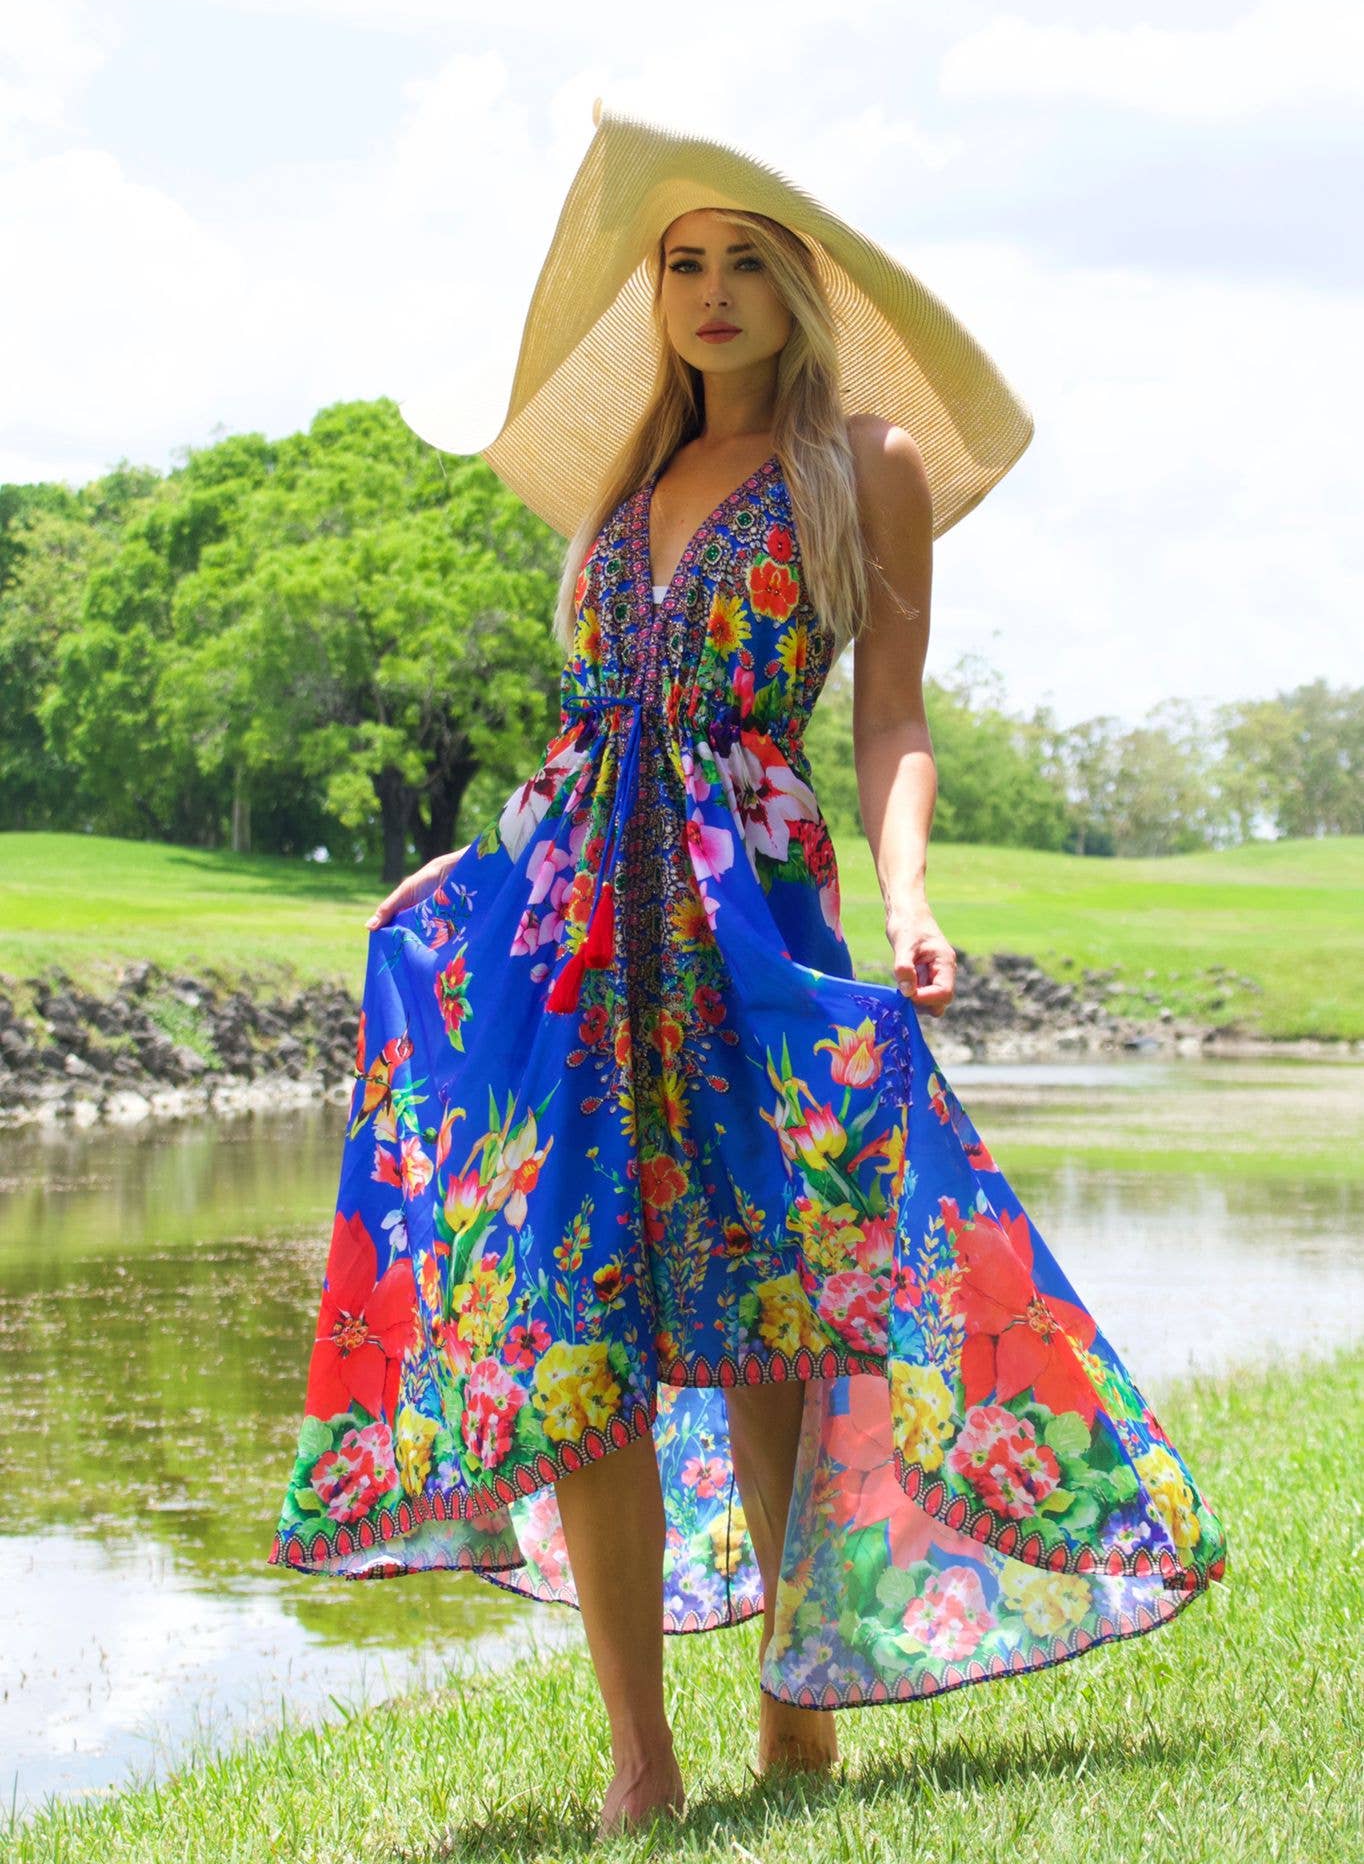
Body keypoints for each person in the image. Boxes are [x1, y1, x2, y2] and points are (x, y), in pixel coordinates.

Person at [267, 101, 1228, 1842]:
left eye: (744, 264)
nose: (710, 292)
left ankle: (799, 1698)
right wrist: (478, 864)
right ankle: (640, 1754)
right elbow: (589, 734)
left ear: (797, 290)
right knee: (579, 1320)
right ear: (658, 297)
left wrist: (911, 894)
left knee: (776, 1309)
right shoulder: (621, 491)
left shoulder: (865, 464)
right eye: (682, 264)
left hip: (751, 914)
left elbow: (893, 717)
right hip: (567, 931)